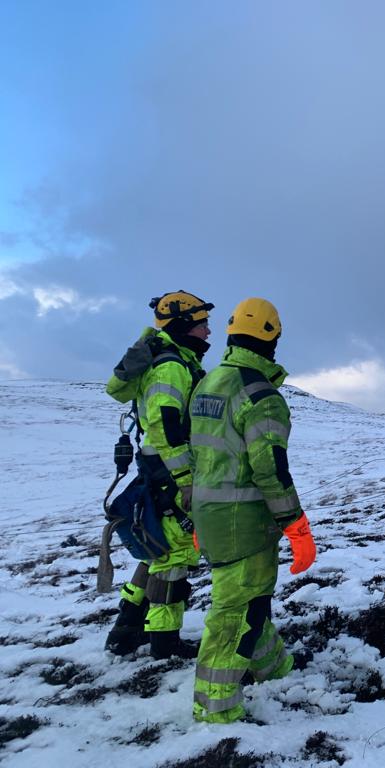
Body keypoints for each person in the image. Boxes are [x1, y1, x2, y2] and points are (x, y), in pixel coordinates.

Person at [189, 297, 316, 723]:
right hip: (244, 525)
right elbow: (271, 472)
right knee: (236, 612)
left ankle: (273, 668)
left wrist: (195, 514)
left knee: (251, 601)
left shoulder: (207, 385)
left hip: (209, 517)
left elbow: (196, 458)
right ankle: (216, 708)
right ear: (272, 336)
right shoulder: (262, 397)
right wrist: (296, 527)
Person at [105, 291, 214, 659]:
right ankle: (164, 642)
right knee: (175, 557)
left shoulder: (172, 361)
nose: (208, 333)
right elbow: (167, 427)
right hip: (170, 471)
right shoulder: (171, 367)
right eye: (202, 325)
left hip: (158, 469)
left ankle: (126, 629)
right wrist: (186, 480)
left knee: (157, 553)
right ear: (184, 326)